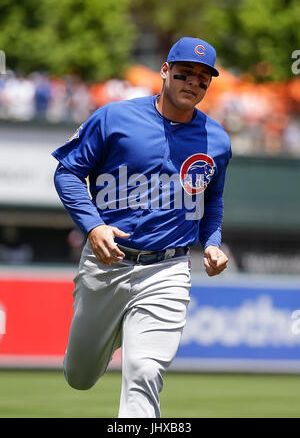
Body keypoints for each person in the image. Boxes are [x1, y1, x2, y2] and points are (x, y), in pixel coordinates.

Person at [52, 37, 232, 418]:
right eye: (185, 73)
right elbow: (68, 171)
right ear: (165, 72)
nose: (193, 84)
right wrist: (92, 226)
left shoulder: (215, 139)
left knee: (144, 370)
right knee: (79, 376)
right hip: (106, 264)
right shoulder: (113, 118)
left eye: (203, 79)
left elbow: (211, 199)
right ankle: (114, 326)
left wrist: (212, 241)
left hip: (167, 268)